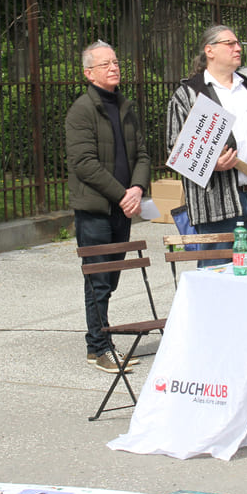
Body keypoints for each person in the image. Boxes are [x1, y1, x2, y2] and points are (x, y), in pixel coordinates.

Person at [66, 40, 151, 373]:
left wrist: (138, 188)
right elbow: (83, 162)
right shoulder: (82, 110)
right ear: (89, 73)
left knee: (111, 278)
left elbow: (142, 154)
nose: (114, 68)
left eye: (116, 62)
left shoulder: (125, 108)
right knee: (98, 279)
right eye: (105, 64)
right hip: (96, 210)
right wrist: (122, 193)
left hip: (122, 208)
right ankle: (98, 347)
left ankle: (101, 340)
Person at [166, 25, 247, 266]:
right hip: (217, 204)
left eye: (238, 43)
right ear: (210, 51)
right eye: (230, 43)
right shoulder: (188, 95)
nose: (238, 48)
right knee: (219, 281)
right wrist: (211, 164)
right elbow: (175, 151)